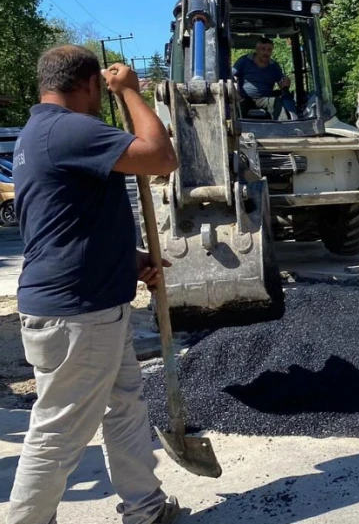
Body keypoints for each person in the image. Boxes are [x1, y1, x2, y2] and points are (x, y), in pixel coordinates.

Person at [8, 45, 182, 524]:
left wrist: (128, 258)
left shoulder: (35, 134)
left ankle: (146, 507)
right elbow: (161, 158)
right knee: (58, 434)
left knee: (124, 407)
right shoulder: (69, 130)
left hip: (91, 305)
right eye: (99, 89)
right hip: (76, 315)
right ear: (88, 85)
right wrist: (130, 92)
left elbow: (65, 224)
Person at [231, 37, 290, 119]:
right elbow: (228, 76)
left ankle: (285, 128)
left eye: (269, 50)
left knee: (277, 102)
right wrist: (238, 97)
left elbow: (281, 85)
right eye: (263, 49)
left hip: (265, 99)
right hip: (244, 99)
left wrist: (285, 83)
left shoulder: (274, 66)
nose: (266, 52)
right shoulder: (244, 61)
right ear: (257, 49)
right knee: (235, 108)